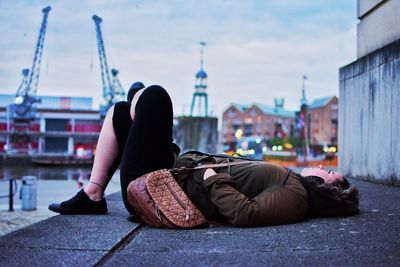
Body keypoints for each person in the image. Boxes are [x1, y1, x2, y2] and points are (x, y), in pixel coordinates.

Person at [49, 85, 359, 227]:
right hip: (174, 170)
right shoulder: (292, 184)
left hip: (160, 189)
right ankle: (92, 193)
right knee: (121, 111)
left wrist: (213, 179)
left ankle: (138, 100)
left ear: (328, 189)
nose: (324, 167)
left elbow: (245, 214)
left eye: (332, 174)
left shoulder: (296, 198)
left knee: (153, 97)